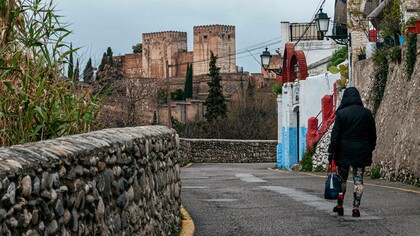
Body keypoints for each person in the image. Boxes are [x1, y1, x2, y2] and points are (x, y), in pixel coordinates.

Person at [328, 87, 377, 217]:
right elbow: (373, 134)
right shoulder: (367, 113)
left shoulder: (342, 114)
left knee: (342, 180)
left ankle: (340, 205)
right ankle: (356, 207)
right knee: (358, 180)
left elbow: (335, 135)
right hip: (361, 152)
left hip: (343, 153)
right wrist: (370, 148)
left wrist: (331, 152)